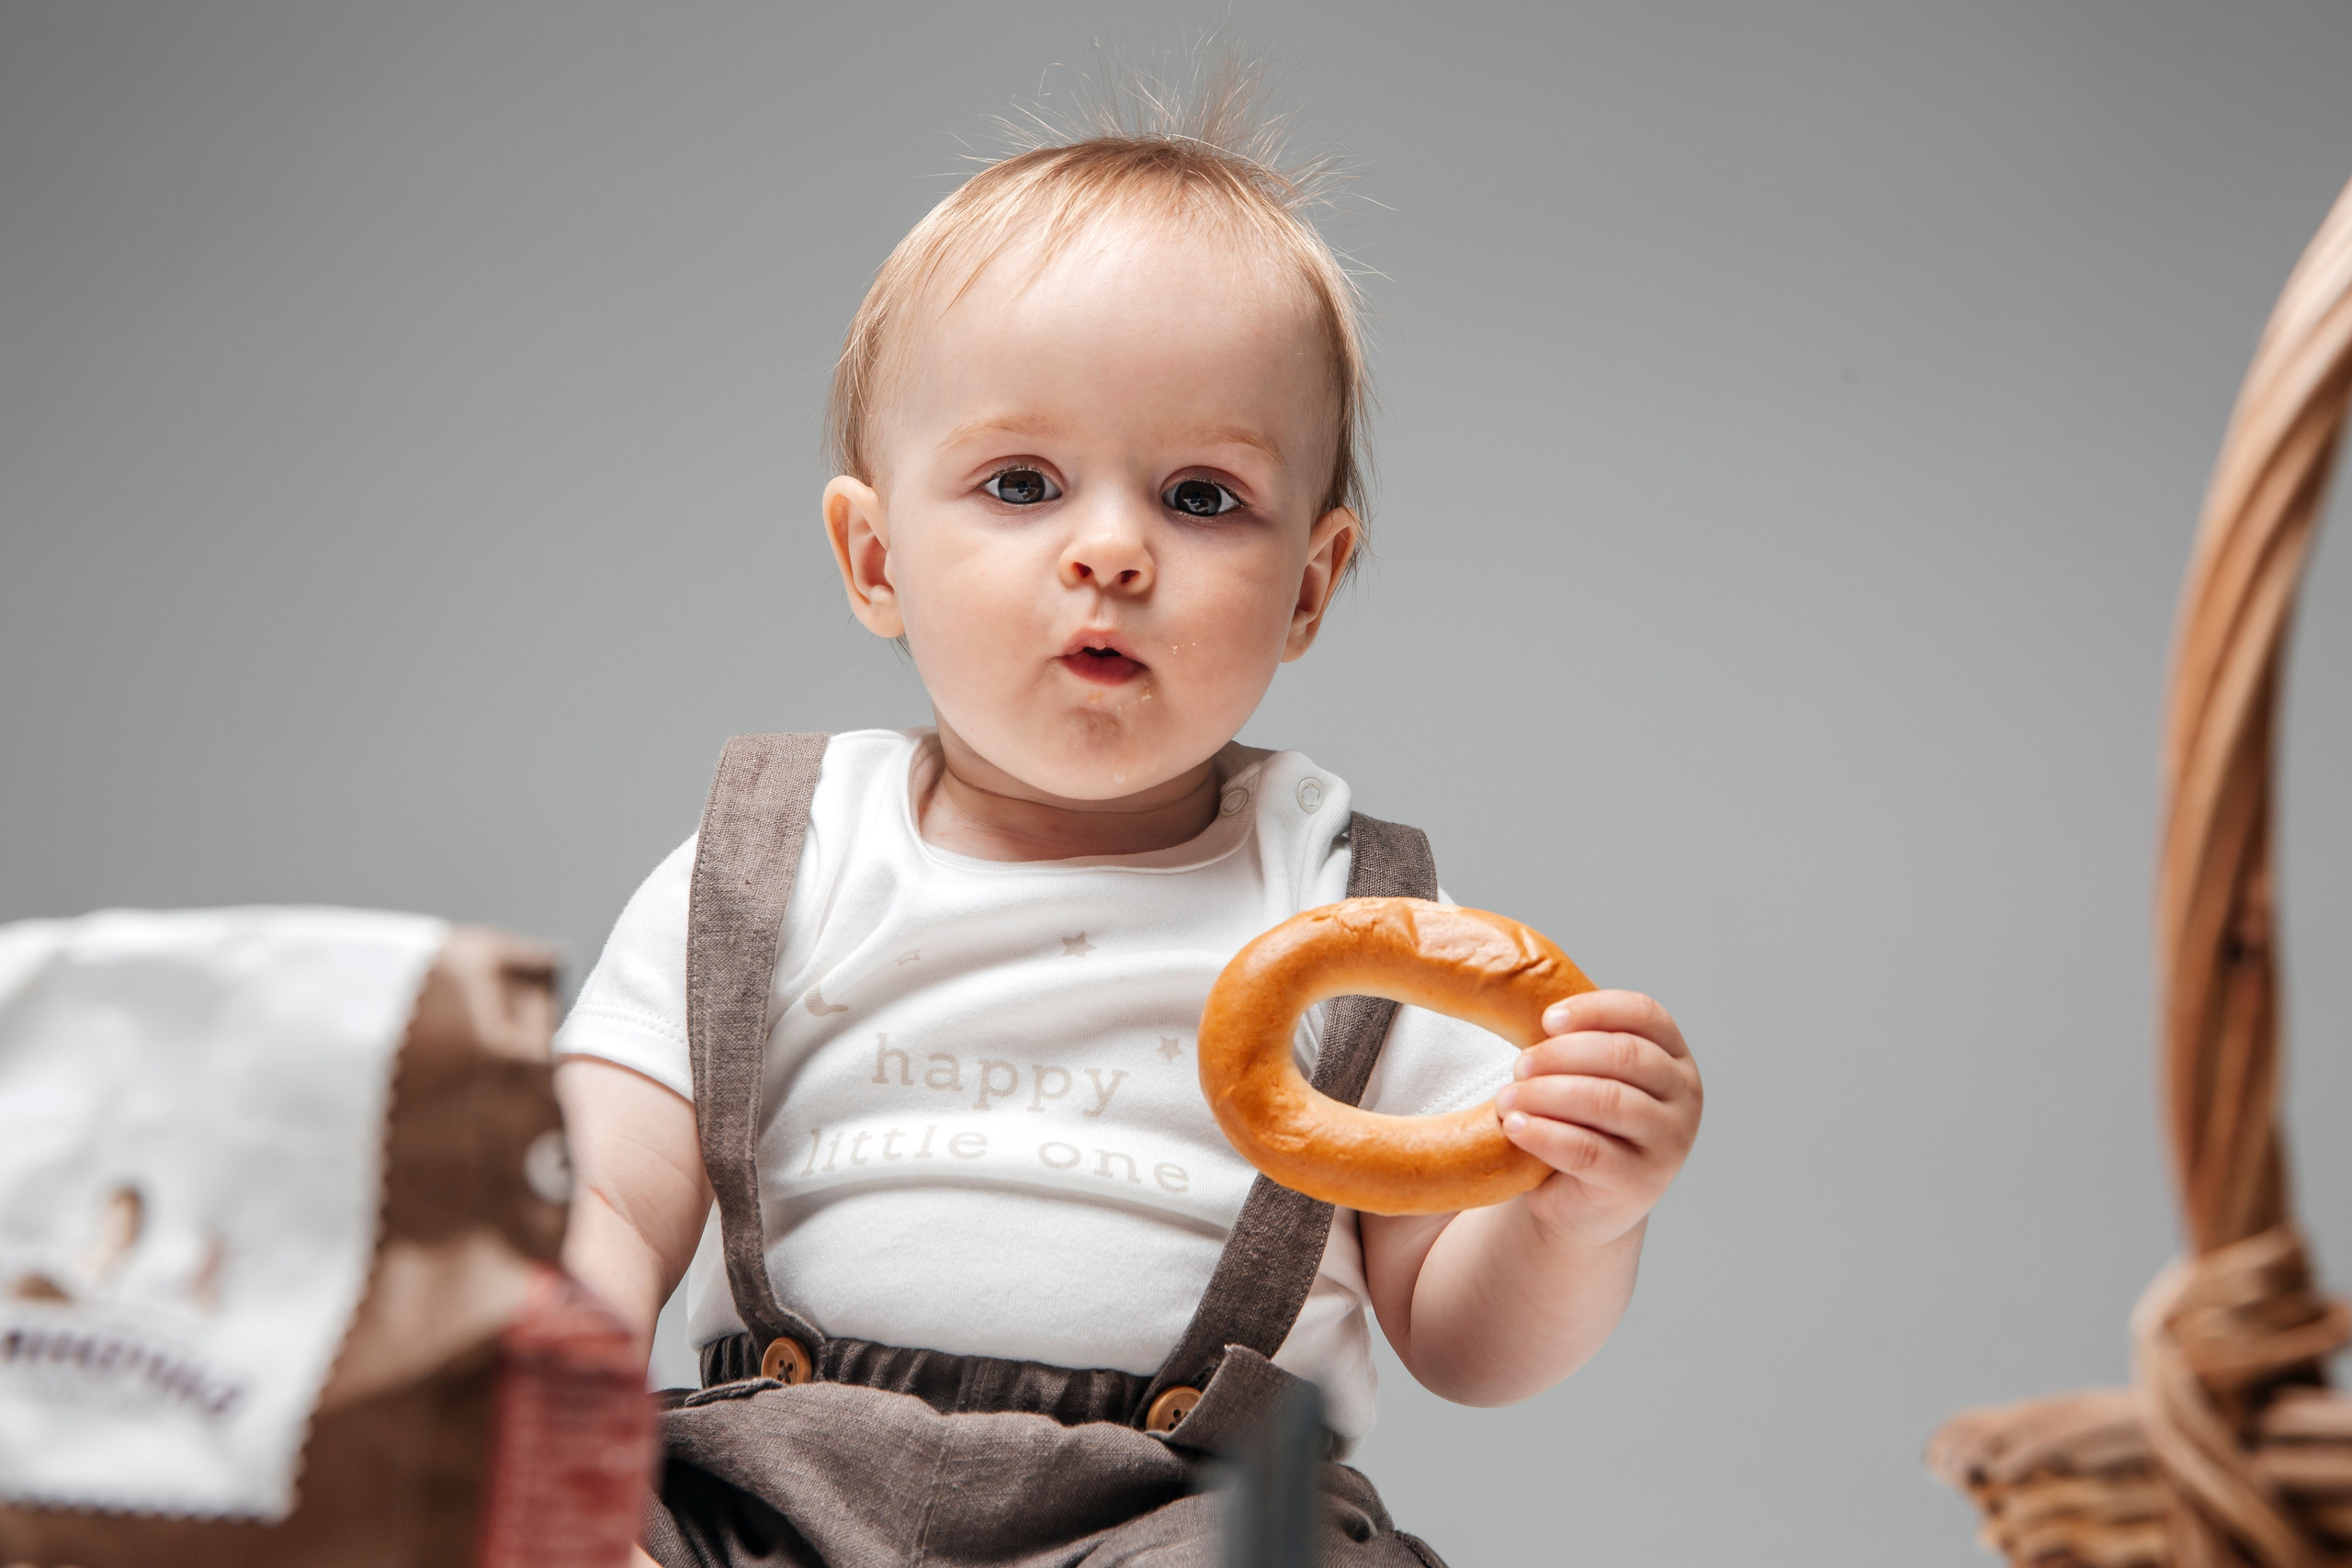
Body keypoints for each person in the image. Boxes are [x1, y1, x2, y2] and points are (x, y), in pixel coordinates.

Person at [553, 68, 1703, 1568]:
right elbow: (600, 1205)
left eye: (1203, 498)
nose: (1110, 550)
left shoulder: (1348, 912)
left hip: (1192, 1518)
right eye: (1022, 482)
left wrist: (1578, 1218)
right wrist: (558, 1465)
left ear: (1309, 583)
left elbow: (1467, 1346)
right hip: (766, 1489)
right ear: (875, 554)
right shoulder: (770, 858)